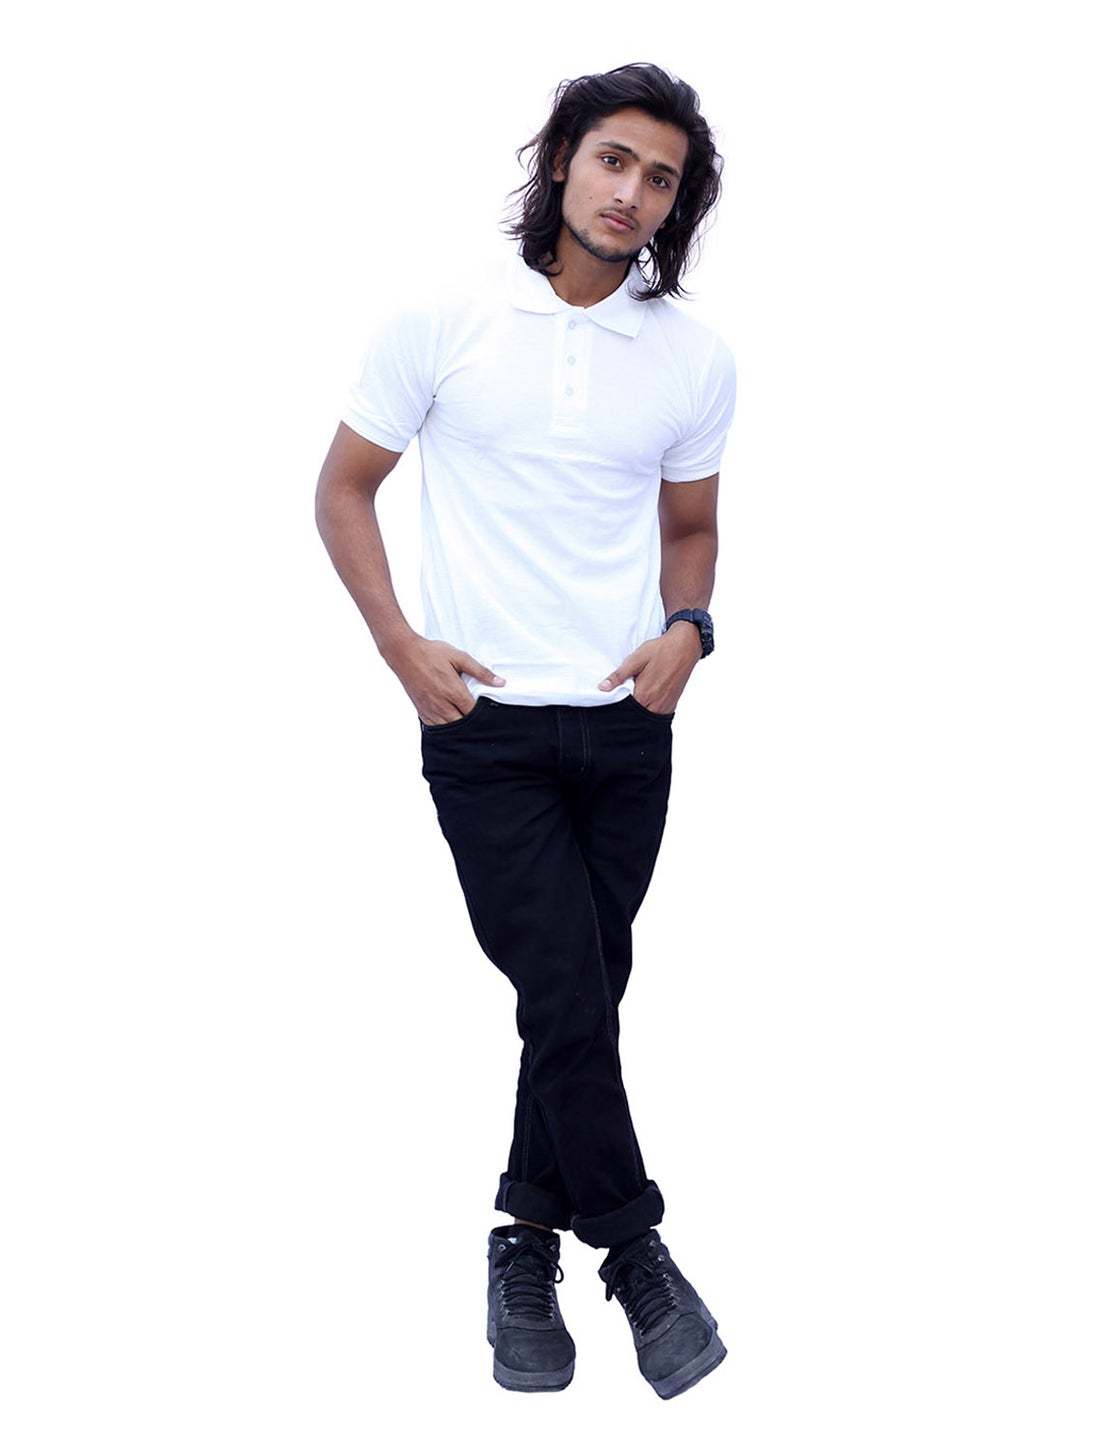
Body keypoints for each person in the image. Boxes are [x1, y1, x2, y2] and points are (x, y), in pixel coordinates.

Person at [315, 62, 736, 1400]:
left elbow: (690, 524)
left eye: (660, 178)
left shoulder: (693, 357)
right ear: (560, 161)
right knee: (564, 989)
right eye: (613, 160)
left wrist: (688, 629)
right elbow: (343, 489)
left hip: (626, 729)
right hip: (485, 725)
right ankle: (636, 1251)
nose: (632, 194)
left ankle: (523, 1239)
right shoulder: (443, 319)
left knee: (577, 1001)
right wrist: (399, 646)